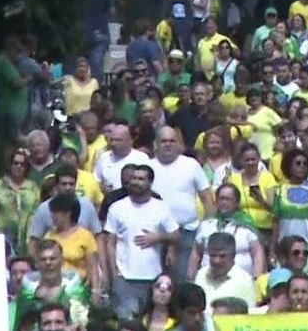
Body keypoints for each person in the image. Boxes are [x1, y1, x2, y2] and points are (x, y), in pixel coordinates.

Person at [101, 164, 179, 319]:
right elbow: (110, 243)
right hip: (125, 276)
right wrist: (113, 273)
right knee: (126, 321)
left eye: (141, 179)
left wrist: (158, 237)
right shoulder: (117, 207)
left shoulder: (161, 207)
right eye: (134, 178)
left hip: (153, 277)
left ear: (150, 182)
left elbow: (176, 235)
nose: (136, 182)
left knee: (150, 320)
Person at [149, 126, 212, 280]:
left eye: (172, 141)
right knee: (156, 278)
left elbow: (207, 198)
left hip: (187, 231)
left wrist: (209, 225)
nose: (168, 144)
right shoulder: (148, 166)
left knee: (183, 278)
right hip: (156, 233)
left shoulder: (191, 165)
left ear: (178, 143)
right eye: (163, 141)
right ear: (156, 144)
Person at [0, 147, 41, 249]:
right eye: (15, 163)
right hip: (2, 238)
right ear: (10, 165)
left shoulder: (33, 187)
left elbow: (38, 211)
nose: (19, 166)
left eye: (22, 164)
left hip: (27, 239)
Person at [194, 231, 257, 308]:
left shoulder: (244, 281)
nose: (216, 261)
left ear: (233, 255)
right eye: (213, 255)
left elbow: (248, 315)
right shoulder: (201, 275)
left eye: (222, 256)